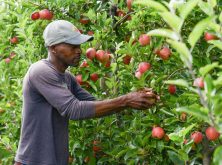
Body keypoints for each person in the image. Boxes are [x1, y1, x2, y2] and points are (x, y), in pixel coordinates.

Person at [14, 20, 159, 165]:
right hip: (32, 161)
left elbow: (95, 103)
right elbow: (73, 109)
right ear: (53, 48)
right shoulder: (40, 71)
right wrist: (127, 100)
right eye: (72, 46)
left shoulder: (67, 78)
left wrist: (138, 95)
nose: (79, 50)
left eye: (79, 46)